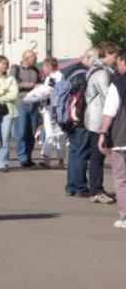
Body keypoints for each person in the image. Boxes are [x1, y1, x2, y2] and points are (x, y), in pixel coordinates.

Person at [84, 41, 118, 204]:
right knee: (97, 155)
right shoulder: (101, 73)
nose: (115, 60)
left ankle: (96, 188)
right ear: (107, 54)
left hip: (96, 117)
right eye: (114, 56)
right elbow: (108, 97)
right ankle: (95, 190)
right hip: (98, 118)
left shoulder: (98, 70)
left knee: (97, 155)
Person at [63, 48, 99, 197]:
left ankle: (71, 186)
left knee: (74, 152)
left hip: (68, 117)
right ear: (89, 58)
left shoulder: (70, 71)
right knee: (81, 152)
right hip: (80, 118)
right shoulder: (84, 75)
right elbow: (84, 99)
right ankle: (80, 187)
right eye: (95, 60)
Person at [98, 49, 126, 228]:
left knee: (121, 179)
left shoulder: (118, 83)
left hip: (122, 137)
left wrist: (102, 133)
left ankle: (125, 216)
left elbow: (110, 111)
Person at [10, 50, 40, 167]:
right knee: (21, 131)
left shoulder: (36, 70)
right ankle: (22, 157)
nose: (36, 60)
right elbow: (12, 83)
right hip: (21, 102)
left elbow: (40, 83)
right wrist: (26, 85)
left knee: (31, 132)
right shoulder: (15, 68)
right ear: (26, 58)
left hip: (34, 103)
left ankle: (28, 156)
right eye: (34, 58)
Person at [38, 57, 67, 169]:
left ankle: (60, 160)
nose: (43, 68)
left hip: (57, 109)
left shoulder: (60, 76)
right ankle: (46, 159)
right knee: (49, 133)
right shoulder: (47, 77)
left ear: (50, 66)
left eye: (44, 66)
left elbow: (59, 92)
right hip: (47, 108)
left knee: (60, 135)